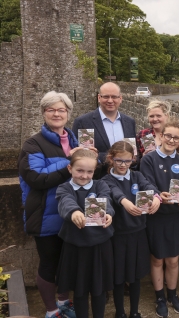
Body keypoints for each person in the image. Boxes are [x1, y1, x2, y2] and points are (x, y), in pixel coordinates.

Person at [18, 91, 87, 318]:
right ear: (44, 113)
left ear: (68, 113)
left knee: (67, 263)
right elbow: (36, 179)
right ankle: (51, 310)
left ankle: (63, 302)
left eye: (61, 110)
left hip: (71, 213)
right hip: (46, 215)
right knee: (49, 264)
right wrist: (69, 161)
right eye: (51, 109)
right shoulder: (33, 144)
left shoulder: (75, 140)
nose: (57, 114)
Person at [102, 141, 162, 318]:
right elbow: (112, 191)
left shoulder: (137, 176)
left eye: (127, 161)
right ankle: (119, 312)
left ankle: (134, 311)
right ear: (111, 159)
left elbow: (150, 187)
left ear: (133, 160)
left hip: (138, 234)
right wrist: (124, 201)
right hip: (117, 236)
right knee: (119, 277)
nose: (123, 165)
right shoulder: (105, 180)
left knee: (136, 277)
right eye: (119, 160)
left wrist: (156, 197)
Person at [139, 120, 179, 318]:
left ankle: (173, 294)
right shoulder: (148, 159)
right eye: (168, 135)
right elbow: (146, 182)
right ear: (160, 136)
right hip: (155, 216)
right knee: (157, 259)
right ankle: (160, 297)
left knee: (174, 260)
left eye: (176, 138)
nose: (171, 140)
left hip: (174, 216)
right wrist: (159, 195)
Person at [55, 149, 114, 318]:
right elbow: (66, 202)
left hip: (100, 245)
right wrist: (74, 212)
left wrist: (109, 214)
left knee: (99, 289)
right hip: (76, 246)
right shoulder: (64, 188)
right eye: (79, 170)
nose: (84, 175)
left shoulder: (100, 185)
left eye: (89, 172)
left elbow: (106, 200)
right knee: (80, 290)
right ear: (70, 168)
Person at [72, 82, 137, 177]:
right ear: (99, 98)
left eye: (114, 97)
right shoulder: (83, 122)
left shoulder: (129, 122)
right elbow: (79, 155)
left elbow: (133, 153)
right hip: (97, 180)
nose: (110, 100)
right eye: (106, 97)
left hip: (124, 181)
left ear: (120, 98)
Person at [136, 100, 179, 169]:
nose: (155, 119)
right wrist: (143, 159)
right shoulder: (143, 134)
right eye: (151, 116)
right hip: (149, 177)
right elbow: (135, 163)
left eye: (158, 116)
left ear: (166, 115)